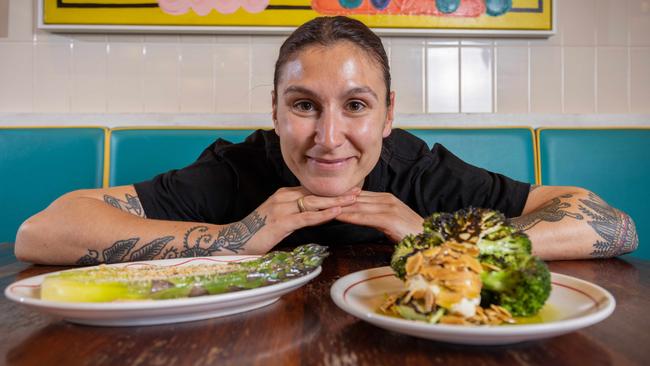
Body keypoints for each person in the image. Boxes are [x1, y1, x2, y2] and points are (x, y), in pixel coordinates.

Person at [15, 16, 637, 265]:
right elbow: (40, 231)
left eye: (356, 106)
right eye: (305, 107)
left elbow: (612, 225)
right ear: (276, 113)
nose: (329, 138)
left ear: (389, 115)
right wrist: (238, 238)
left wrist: (436, 240)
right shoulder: (238, 168)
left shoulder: (416, 168)